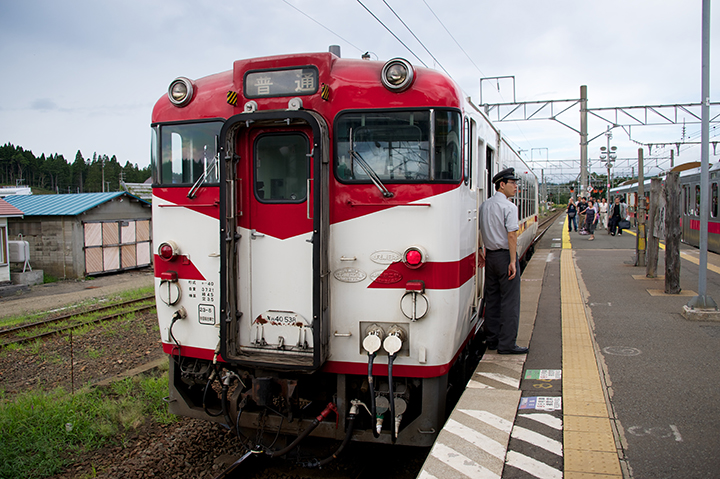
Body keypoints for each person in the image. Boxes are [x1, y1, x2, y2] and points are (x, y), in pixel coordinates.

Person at [478, 167, 528, 355]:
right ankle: (507, 344)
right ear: (502, 185)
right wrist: (513, 261)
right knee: (510, 301)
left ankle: (492, 339)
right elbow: (512, 235)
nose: (515, 187)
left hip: (490, 257)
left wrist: (479, 251)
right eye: (513, 183)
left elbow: (478, 229)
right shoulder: (509, 207)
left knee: (492, 299)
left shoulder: (484, 206)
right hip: (505, 257)